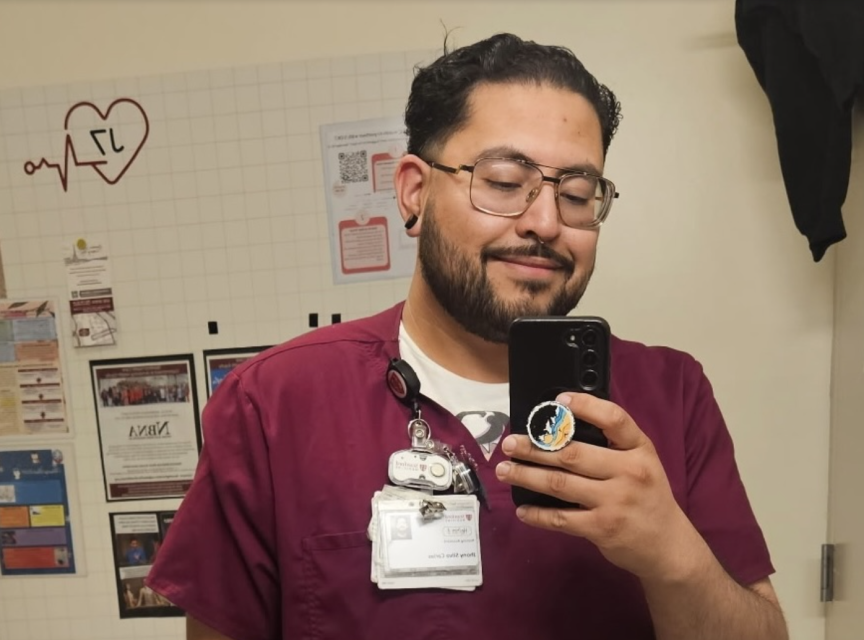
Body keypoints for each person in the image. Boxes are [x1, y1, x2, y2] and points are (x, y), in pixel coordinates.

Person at [146, 33, 787, 640]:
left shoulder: (669, 397)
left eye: (578, 193)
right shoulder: (276, 405)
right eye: (504, 182)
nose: (544, 221)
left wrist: (671, 554)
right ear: (414, 194)